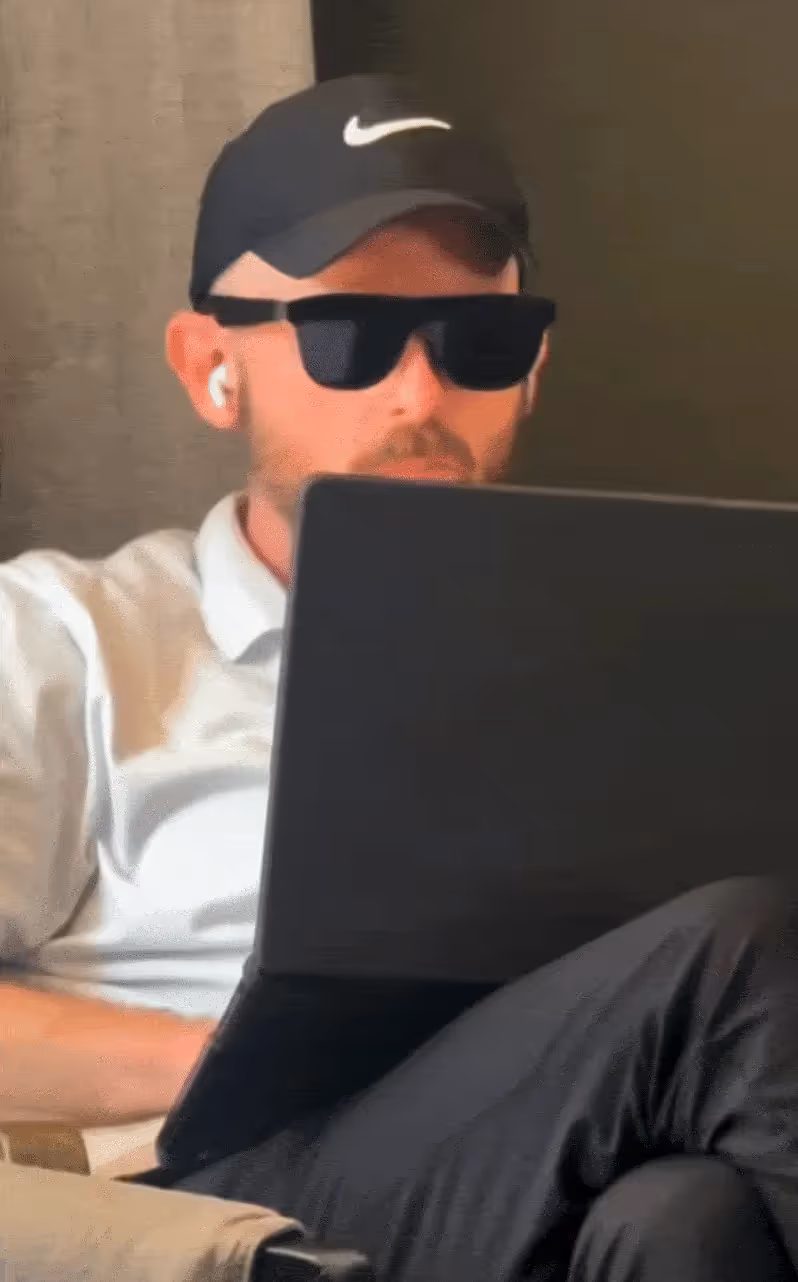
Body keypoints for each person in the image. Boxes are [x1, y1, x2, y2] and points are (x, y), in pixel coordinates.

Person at [0, 70, 797, 1280]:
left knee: (686, 1219)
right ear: (212, 364)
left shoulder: (639, 653)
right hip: (217, 1199)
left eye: (480, 341)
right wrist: (224, 1061)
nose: (420, 395)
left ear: (532, 365)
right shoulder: (62, 637)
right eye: (348, 336)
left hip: (557, 1166)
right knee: (740, 951)